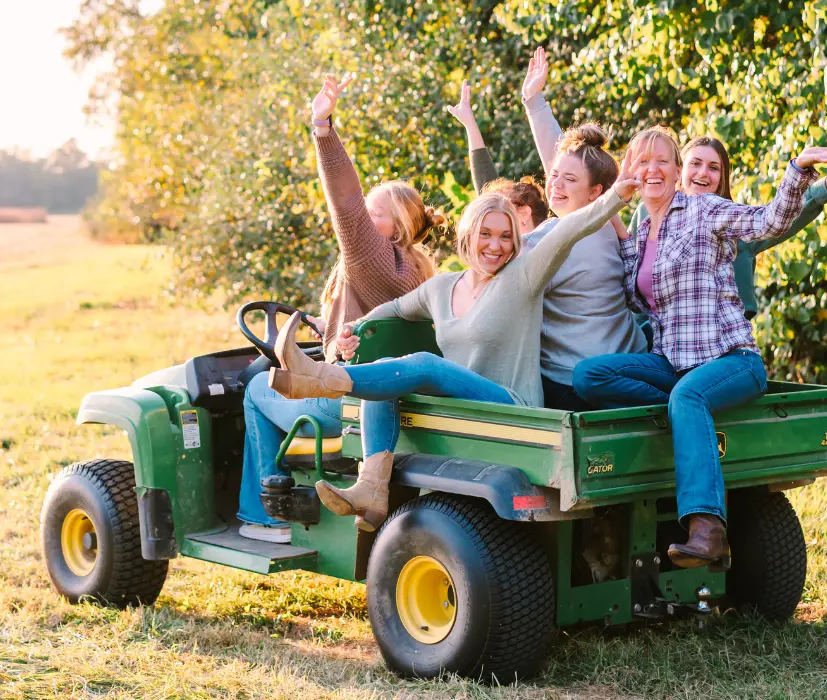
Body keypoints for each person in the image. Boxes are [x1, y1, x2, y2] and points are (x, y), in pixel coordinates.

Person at [268, 148, 645, 531]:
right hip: (461, 407)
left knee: (426, 364)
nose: (495, 246)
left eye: (505, 237)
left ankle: (321, 379)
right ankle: (371, 488)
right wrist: (351, 332)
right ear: (468, 234)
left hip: (509, 405)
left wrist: (617, 196)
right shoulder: (442, 288)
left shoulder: (524, 276)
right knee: (383, 376)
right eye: (486, 234)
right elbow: (394, 309)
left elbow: (570, 229)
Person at [573, 126, 827, 569]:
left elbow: (769, 222)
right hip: (673, 363)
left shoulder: (704, 210)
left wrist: (799, 169)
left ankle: (707, 530)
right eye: (642, 161)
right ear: (630, 170)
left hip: (731, 359)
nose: (653, 169)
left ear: (676, 170)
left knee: (688, 396)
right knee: (589, 375)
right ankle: (684, 420)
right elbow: (633, 298)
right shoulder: (643, 229)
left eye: (662, 160)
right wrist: (607, 206)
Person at [237, 74, 443, 543]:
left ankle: (267, 516)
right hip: (376, 390)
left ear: (398, 227)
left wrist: (323, 127)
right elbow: (378, 321)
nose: (363, 222)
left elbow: (344, 202)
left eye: (376, 215)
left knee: (254, 388)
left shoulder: (374, 258)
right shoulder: (415, 268)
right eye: (367, 213)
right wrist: (328, 328)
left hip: (344, 404)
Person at [448, 48, 646, 410]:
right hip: (626, 365)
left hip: (579, 383)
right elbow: (556, 162)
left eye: (569, 180)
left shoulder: (552, 238)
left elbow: (497, 244)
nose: (554, 184)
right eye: (553, 176)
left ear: (596, 193)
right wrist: (534, 102)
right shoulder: (602, 223)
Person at [629, 135, 827, 324]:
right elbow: (625, 270)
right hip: (657, 338)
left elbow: (783, 214)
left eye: (713, 167)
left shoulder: (736, 225)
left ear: (722, 178)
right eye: (695, 163)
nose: (703, 173)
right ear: (679, 171)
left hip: (723, 342)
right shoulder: (647, 213)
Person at [447, 78, 549, 233]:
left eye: (495, 207)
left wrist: (534, 102)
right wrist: (470, 125)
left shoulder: (549, 246)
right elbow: (485, 182)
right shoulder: (504, 250)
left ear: (523, 214)